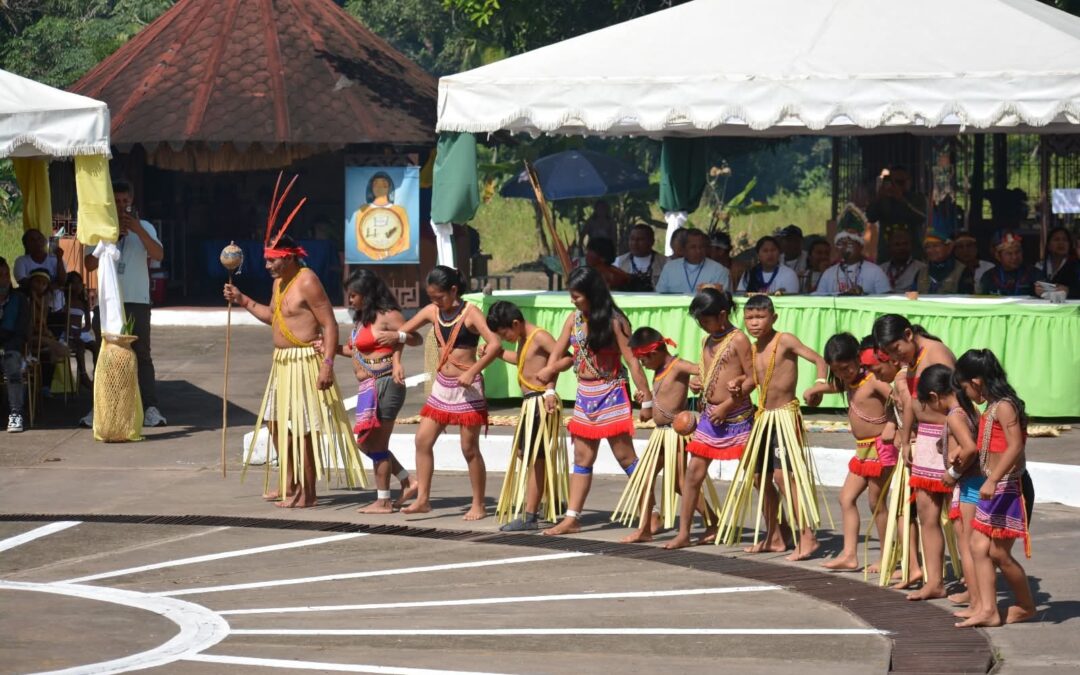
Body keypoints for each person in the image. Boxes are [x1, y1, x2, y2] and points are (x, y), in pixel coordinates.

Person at [225, 234, 365, 507]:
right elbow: (273, 317)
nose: (266, 265)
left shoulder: (308, 280)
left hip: (305, 361)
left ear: (288, 257)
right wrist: (243, 300)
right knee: (274, 422)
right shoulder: (279, 282)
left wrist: (327, 364)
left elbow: (330, 324)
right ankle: (289, 481)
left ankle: (308, 491)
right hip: (282, 361)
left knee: (304, 428)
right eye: (266, 259)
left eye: (272, 260)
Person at [536, 266, 653, 535]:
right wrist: (550, 390)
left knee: (625, 457)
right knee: (582, 456)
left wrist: (646, 399)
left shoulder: (616, 321)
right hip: (584, 395)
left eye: (576, 296)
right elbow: (556, 358)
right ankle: (572, 518)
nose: (572, 301)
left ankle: (651, 512)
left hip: (611, 391)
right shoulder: (573, 320)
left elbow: (633, 362)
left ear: (592, 294)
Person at [380, 266, 503, 520]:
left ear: (454, 290)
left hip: (467, 390)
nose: (435, 302)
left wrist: (474, 370)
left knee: (469, 448)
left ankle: (478, 503)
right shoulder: (432, 312)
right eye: (432, 297)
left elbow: (495, 344)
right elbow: (403, 334)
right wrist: (396, 361)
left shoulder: (470, 313)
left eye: (439, 297)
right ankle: (423, 499)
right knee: (422, 440)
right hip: (442, 387)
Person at [719, 295, 828, 560]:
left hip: (785, 416)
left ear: (773, 318)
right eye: (749, 318)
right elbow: (752, 384)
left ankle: (807, 536)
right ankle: (775, 535)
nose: (754, 323)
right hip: (763, 418)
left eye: (760, 317)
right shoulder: (753, 350)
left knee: (784, 477)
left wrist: (819, 384)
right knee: (758, 477)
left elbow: (818, 360)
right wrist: (736, 386)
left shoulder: (785, 340)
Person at [873, 314, 955, 600]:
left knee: (958, 517)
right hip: (923, 441)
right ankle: (935, 582)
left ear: (908, 334)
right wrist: (906, 438)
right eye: (890, 353)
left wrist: (955, 441)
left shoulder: (936, 352)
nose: (896, 356)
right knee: (926, 513)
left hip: (948, 437)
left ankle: (977, 586)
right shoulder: (911, 363)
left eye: (896, 348)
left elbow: (954, 402)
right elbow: (909, 402)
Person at [951, 349, 1036, 627]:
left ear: (975, 381)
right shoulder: (991, 406)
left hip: (1010, 487)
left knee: (998, 553)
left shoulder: (1005, 406)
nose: (967, 393)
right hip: (995, 486)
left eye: (965, 386)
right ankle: (987, 609)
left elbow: (1015, 446)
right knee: (977, 546)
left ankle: (1025, 605)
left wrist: (992, 479)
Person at [665, 289, 755, 550]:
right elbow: (709, 374)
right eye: (700, 321)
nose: (702, 325)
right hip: (709, 417)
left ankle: (779, 529)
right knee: (693, 473)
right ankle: (685, 533)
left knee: (758, 475)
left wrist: (727, 406)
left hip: (737, 415)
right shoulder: (706, 341)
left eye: (706, 319)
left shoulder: (739, 340)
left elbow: (752, 379)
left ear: (723, 315)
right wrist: (698, 383)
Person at [325, 269, 416, 514]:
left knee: (376, 443)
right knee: (366, 443)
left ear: (368, 294)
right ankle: (407, 480)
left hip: (387, 384)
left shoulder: (388, 315)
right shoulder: (362, 320)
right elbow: (356, 351)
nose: (350, 300)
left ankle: (384, 501)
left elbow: (414, 337)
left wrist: (397, 336)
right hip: (368, 388)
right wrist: (328, 349)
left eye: (354, 295)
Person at [804, 333, 897, 572]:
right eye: (838, 370)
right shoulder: (847, 381)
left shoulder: (874, 380)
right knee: (846, 498)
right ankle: (849, 555)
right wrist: (815, 391)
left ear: (858, 358)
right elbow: (834, 384)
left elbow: (900, 400)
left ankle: (888, 556)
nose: (844, 374)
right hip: (862, 450)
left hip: (880, 448)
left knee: (877, 503)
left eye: (847, 368)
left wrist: (892, 424)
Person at [83, 180, 167, 428]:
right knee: (105, 355)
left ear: (131, 202)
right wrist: (108, 238)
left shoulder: (147, 227)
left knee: (141, 354)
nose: (121, 206)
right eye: (116, 202)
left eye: (124, 201)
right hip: (107, 302)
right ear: (110, 203)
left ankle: (150, 407)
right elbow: (88, 264)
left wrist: (138, 230)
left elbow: (159, 255)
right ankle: (101, 408)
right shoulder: (100, 228)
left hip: (137, 300)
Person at [614, 326, 707, 544]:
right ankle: (645, 528)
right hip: (660, 436)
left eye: (643, 361)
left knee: (682, 484)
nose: (643, 366)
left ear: (654, 354)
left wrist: (699, 382)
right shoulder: (659, 370)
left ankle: (713, 520)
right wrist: (644, 404)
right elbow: (650, 412)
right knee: (642, 477)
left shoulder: (678, 366)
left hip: (676, 436)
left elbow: (703, 370)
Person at [485, 300, 571, 531]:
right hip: (529, 405)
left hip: (541, 402)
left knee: (534, 457)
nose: (505, 339)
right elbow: (524, 361)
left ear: (515, 323)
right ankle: (549, 497)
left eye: (505, 334)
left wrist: (550, 376)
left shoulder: (540, 336)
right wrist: (500, 352)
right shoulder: (523, 340)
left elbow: (566, 358)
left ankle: (531, 514)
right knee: (527, 454)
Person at [914, 363, 984, 623]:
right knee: (972, 547)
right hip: (974, 482)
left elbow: (970, 448)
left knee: (967, 548)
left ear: (933, 396)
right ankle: (979, 602)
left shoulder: (955, 414)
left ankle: (978, 604)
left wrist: (951, 474)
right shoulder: (969, 408)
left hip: (968, 484)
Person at [866, 166, 926, 261]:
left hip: (912, 253)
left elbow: (922, 217)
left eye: (900, 182)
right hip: (887, 253)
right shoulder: (884, 199)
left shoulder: (917, 198)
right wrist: (878, 198)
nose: (896, 186)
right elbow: (870, 217)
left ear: (909, 182)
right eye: (892, 182)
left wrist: (902, 200)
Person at [814, 229, 891, 295]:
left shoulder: (875, 271)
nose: (845, 247)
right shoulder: (829, 273)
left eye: (850, 243)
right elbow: (819, 299)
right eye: (842, 244)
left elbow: (887, 299)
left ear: (860, 247)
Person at [1, 257, 29, 433]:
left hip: (12, 347)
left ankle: (16, 413)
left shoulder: (18, 299)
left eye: (5, 275)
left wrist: (5, 348)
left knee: (12, 363)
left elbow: (21, 331)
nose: (3, 279)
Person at [655, 229, 731, 294]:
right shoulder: (670, 268)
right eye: (693, 247)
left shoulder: (719, 270)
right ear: (684, 249)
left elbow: (723, 298)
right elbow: (660, 294)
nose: (698, 251)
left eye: (701, 247)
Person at [980, 231, 1038, 296]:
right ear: (998, 256)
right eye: (1009, 253)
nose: (1014, 257)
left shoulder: (1034, 273)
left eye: (1017, 252)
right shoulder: (989, 276)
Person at [63, 271, 95, 389]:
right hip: (66, 332)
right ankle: (83, 376)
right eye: (73, 283)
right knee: (80, 345)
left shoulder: (84, 303)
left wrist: (80, 331)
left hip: (80, 332)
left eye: (79, 283)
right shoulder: (64, 301)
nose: (77, 286)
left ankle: (97, 375)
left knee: (95, 346)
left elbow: (87, 325)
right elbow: (61, 320)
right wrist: (72, 331)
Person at [614, 224, 667, 292]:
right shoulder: (618, 262)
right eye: (632, 239)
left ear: (651, 241)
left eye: (640, 239)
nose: (634, 243)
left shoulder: (665, 263)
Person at [1034, 226, 1080, 299]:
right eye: (1056, 239)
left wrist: (1068, 291)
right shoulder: (1040, 265)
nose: (1061, 243)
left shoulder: (1076, 266)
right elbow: (1030, 286)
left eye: (1065, 240)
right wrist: (1035, 290)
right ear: (1048, 245)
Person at [914, 229, 964, 294]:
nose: (930, 250)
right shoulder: (921, 272)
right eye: (927, 247)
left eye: (935, 246)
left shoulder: (962, 271)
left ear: (949, 247)